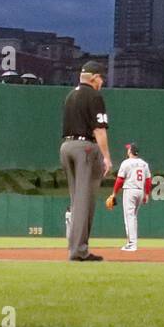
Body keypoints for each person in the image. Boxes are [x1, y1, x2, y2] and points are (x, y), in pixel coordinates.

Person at [60, 60, 113, 262]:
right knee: (84, 201)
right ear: (93, 77)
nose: (102, 82)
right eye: (100, 78)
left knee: (76, 200)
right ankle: (79, 250)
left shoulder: (71, 95)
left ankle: (75, 247)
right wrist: (106, 157)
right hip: (85, 148)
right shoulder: (94, 95)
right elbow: (99, 129)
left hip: (66, 147)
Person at [107, 142, 152, 252]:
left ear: (130, 151)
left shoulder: (126, 163)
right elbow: (148, 180)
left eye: (128, 149)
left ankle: (132, 244)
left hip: (130, 191)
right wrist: (146, 194)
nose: (127, 150)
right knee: (133, 217)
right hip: (140, 191)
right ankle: (132, 242)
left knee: (129, 217)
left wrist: (114, 193)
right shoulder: (144, 164)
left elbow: (120, 180)